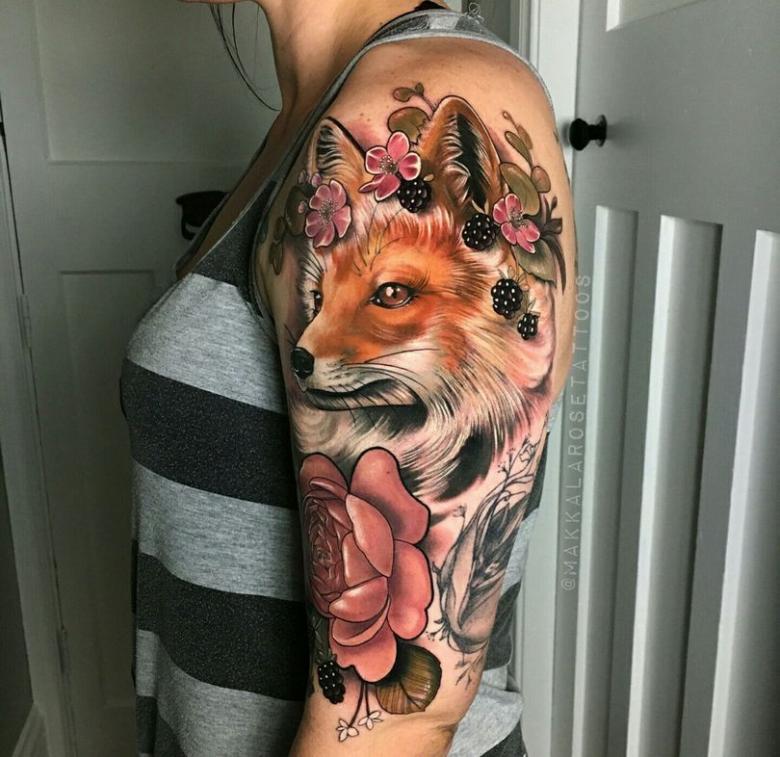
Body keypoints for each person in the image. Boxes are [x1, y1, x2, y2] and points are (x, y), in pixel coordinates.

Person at [121, 1, 576, 755]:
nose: (317, 340)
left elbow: (393, 721)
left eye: (391, 294)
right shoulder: (322, 121)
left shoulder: (430, 92)